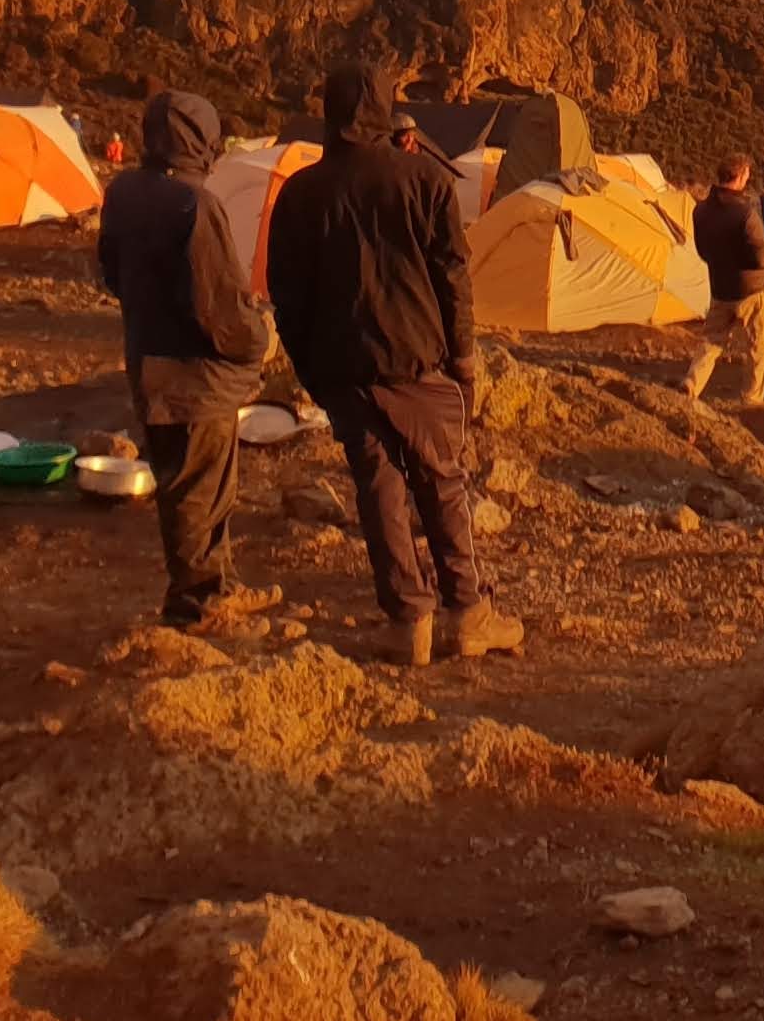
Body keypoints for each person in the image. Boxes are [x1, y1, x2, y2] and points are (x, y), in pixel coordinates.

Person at [265, 60, 519, 668]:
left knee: (378, 487)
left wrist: (311, 373)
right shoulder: (424, 180)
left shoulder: (300, 193)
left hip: (342, 366)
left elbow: (287, 297)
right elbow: (452, 276)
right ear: (383, 109)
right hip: (419, 358)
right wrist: (462, 358)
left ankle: (409, 624)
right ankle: (467, 614)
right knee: (443, 485)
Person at [96, 89, 277, 631]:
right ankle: (197, 602)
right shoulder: (194, 206)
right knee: (200, 488)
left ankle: (215, 584)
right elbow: (220, 304)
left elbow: (110, 273)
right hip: (195, 374)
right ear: (202, 140)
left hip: (146, 358)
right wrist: (258, 337)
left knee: (187, 482)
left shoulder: (124, 190)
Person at [683, 152, 764, 405]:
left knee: (711, 341)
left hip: (721, 287)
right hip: (751, 290)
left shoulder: (700, 211)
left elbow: (702, 250)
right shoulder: (745, 213)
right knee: (757, 347)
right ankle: (752, 401)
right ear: (741, 176)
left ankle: (691, 384)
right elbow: (759, 256)